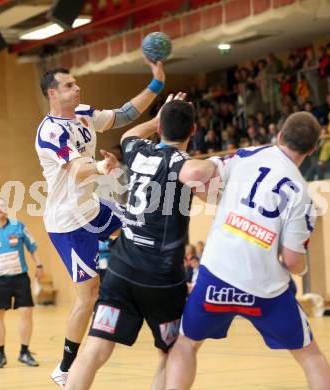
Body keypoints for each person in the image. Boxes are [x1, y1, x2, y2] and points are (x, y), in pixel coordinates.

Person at [165, 112, 330, 390]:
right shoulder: (303, 195)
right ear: (313, 149)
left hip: (217, 277)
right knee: (310, 357)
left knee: (186, 345)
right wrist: (301, 269)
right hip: (264, 289)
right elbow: (293, 262)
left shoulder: (246, 156)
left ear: (280, 134)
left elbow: (197, 177)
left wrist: (221, 201)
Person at [65, 96, 218, 390]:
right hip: (161, 280)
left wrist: (156, 118)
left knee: (95, 351)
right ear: (194, 130)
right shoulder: (183, 166)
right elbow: (207, 187)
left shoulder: (139, 151)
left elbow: (128, 135)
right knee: (171, 352)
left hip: (121, 270)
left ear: (159, 127)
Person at [35, 62, 166, 386]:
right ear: (53, 93)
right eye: (69, 85)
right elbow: (78, 170)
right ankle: (65, 367)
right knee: (87, 296)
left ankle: (146, 291)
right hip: (68, 224)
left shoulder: (82, 113)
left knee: (140, 224)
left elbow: (121, 116)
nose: (76, 88)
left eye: (76, 83)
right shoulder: (50, 132)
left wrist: (156, 88)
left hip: (93, 208)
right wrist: (102, 166)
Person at [0, 197, 44, 368]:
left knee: (26, 312)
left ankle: (24, 352)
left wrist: (39, 265)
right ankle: (0, 354)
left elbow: (33, 246)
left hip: (20, 278)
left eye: (2, 205)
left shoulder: (19, 226)